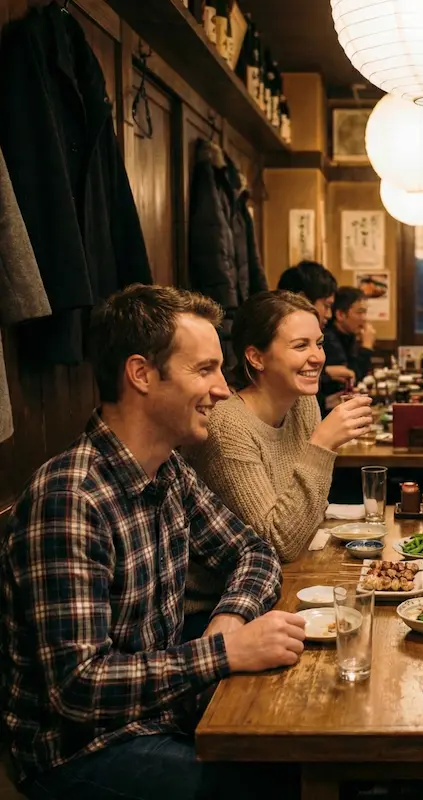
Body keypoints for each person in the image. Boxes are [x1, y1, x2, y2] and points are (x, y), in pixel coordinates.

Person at [0, 284, 306, 800]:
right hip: (79, 750)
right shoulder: (70, 499)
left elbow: (255, 552)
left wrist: (229, 621)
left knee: (295, 745)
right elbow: (78, 687)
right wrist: (222, 654)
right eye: (204, 370)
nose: (223, 389)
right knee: (278, 785)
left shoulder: (168, 470)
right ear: (141, 374)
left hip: (159, 712)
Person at [185, 291, 372, 620]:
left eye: (319, 343)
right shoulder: (227, 424)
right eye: (300, 346)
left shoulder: (303, 403)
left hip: (284, 580)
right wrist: (322, 445)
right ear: (256, 357)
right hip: (221, 608)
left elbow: (311, 515)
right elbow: (278, 543)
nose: (317, 357)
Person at [319, 286, 377, 414]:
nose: (364, 318)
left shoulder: (348, 336)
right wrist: (367, 346)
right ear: (340, 314)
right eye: (359, 312)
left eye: (365, 312)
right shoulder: (328, 338)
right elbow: (352, 375)